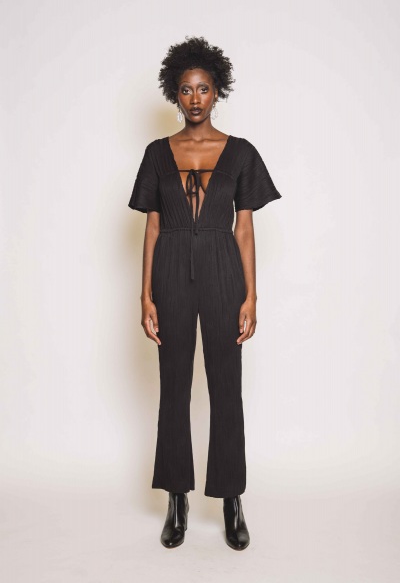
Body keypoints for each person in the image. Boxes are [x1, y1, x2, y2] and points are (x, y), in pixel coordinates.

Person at [128, 36, 282, 550]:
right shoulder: (156, 154)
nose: (195, 98)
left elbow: (245, 229)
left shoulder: (240, 153)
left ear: (217, 92)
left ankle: (232, 499)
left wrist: (251, 296)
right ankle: (177, 499)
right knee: (173, 388)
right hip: (170, 269)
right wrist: (145, 296)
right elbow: (152, 227)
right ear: (175, 94)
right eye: (186, 90)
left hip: (222, 270)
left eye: (204, 89)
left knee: (225, 388)